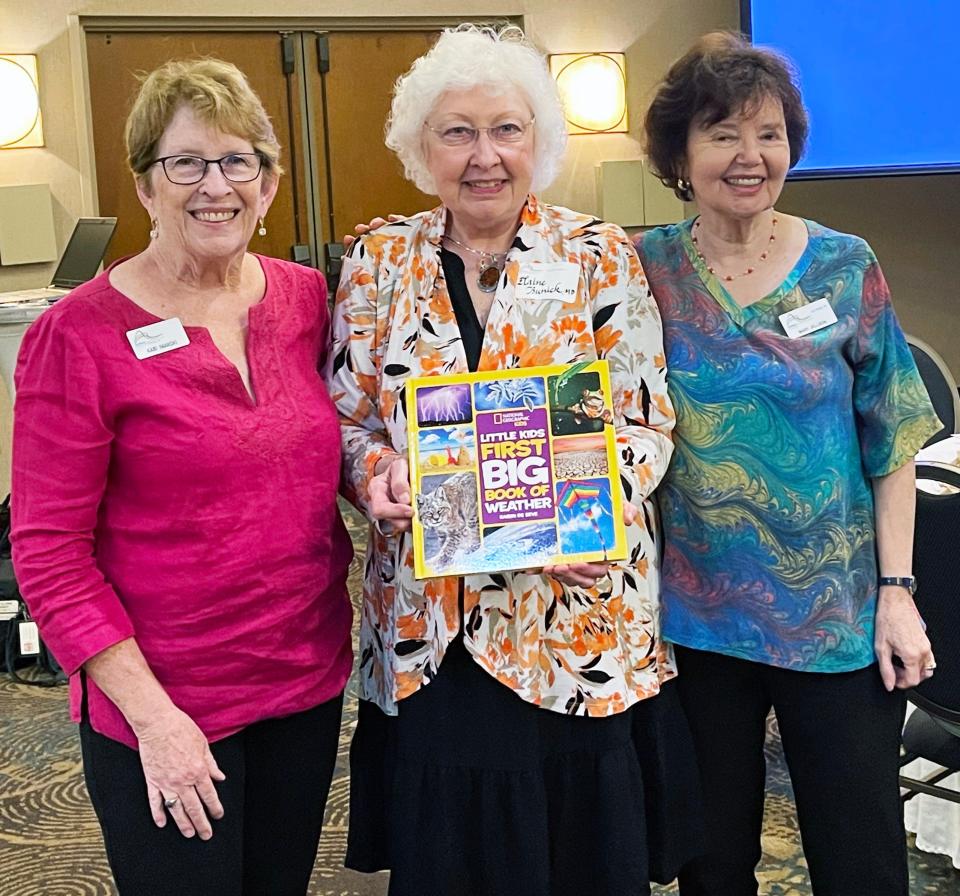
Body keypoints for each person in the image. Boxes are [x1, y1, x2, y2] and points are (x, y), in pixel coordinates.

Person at [326, 23, 700, 896]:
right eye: (457, 131)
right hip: (433, 623)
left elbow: (647, 425)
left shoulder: (598, 254)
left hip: (570, 608)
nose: (484, 155)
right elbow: (347, 421)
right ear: (423, 149)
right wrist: (373, 474)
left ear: (539, 140)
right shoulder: (380, 260)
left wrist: (574, 505)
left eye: (506, 129)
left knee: (580, 858)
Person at [11, 58, 352, 896]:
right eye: (186, 163)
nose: (216, 186)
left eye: (239, 162)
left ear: (269, 186)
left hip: (302, 680)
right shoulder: (78, 335)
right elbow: (49, 554)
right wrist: (155, 718)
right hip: (163, 701)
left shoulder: (305, 299)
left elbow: (328, 446)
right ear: (145, 185)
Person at [634, 32, 942, 896]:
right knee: (713, 863)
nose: (749, 155)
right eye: (722, 132)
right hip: (696, 622)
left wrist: (899, 594)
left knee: (862, 858)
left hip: (837, 618)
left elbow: (894, 439)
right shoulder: (638, 268)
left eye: (768, 133)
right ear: (680, 154)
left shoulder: (847, 265)